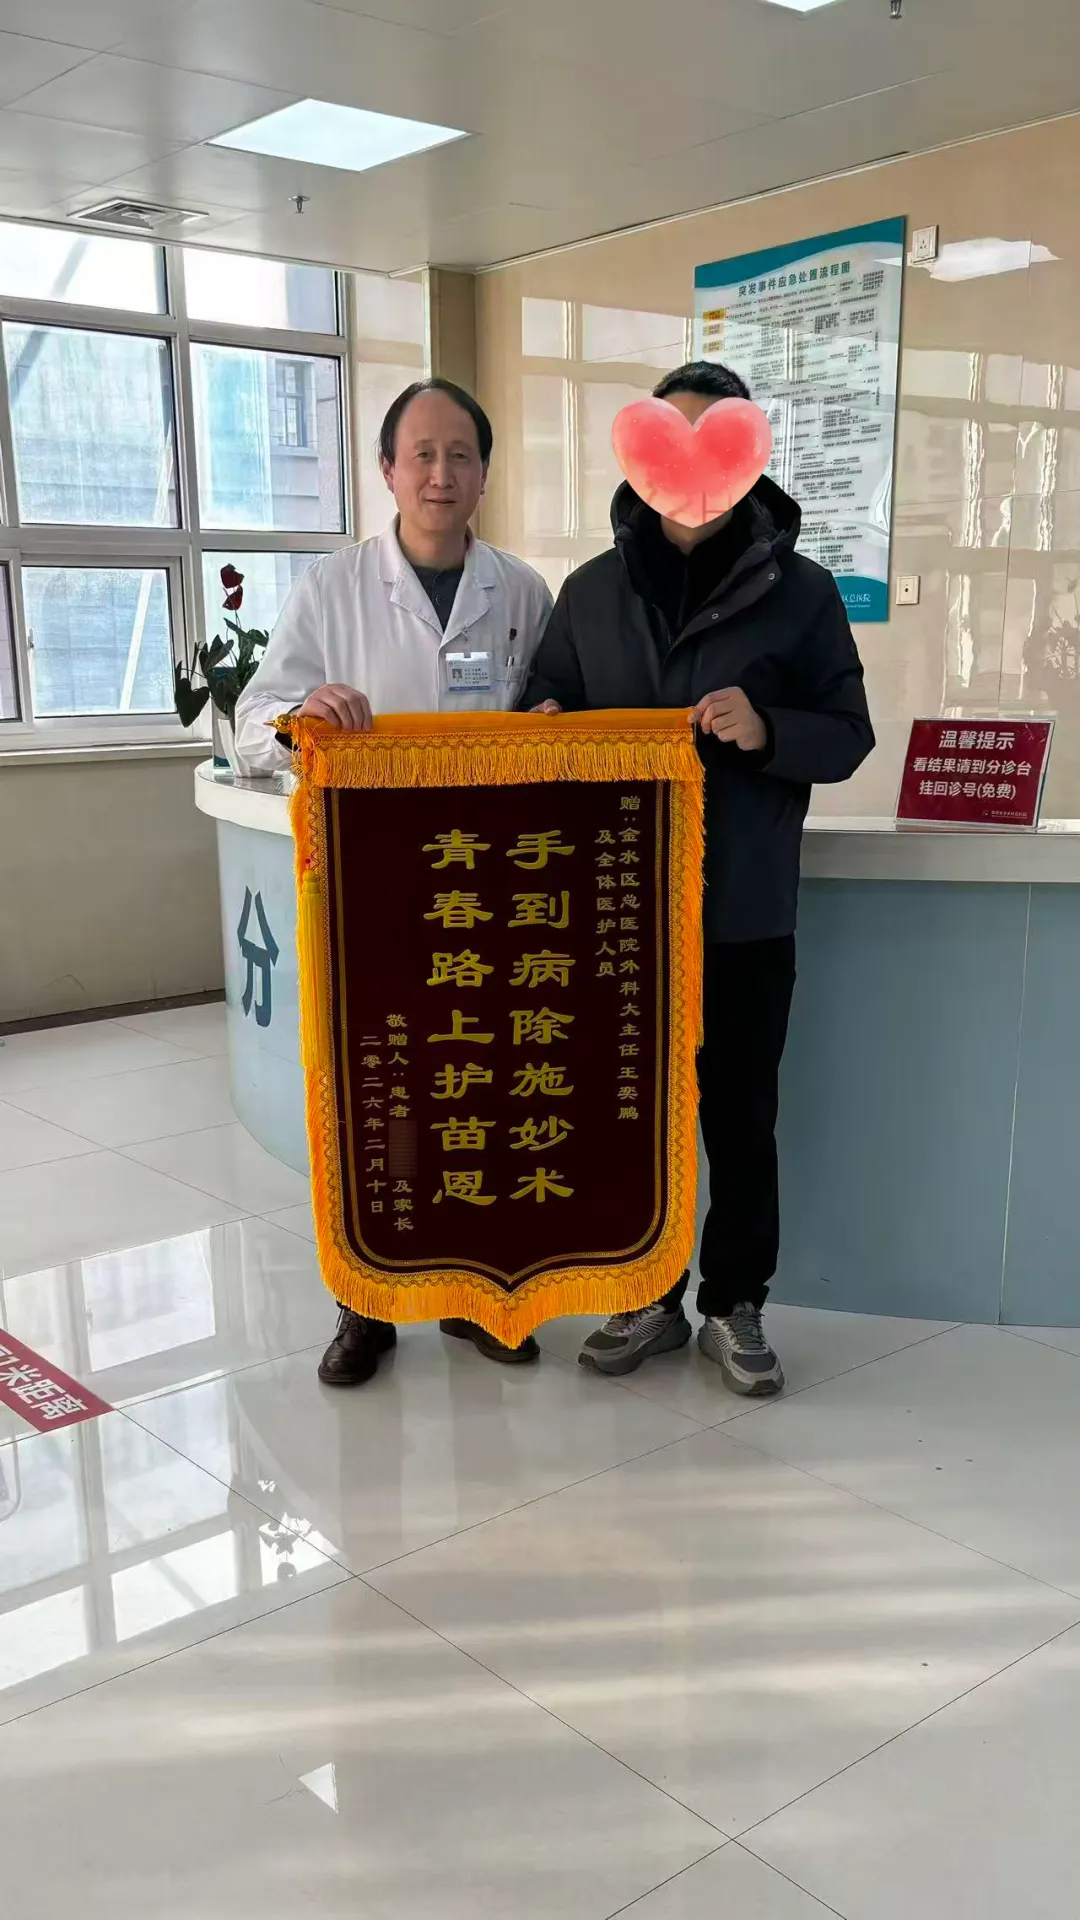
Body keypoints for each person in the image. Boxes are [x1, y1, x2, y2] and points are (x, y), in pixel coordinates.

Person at [520, 360, 874, 1398]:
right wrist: (543, 725)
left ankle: (735, 1302)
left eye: (712, 441)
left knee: (740, 1118)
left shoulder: (802, 595)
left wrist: (767, 730)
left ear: (747, 454)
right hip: (618, 914)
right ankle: (647, 1293)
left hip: (744, 910)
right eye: (669, 440)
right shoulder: (591, 592)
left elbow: (849, 732)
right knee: (632, 1115)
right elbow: (544, 701)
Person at [236, 377, 553, 1387]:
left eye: (460, 455)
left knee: (481, 1090)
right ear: (386, 470)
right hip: (371, 890)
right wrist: (303, 720)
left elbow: (553, 720)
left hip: (488, 893)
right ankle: (363, 1304)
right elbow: (252, 728)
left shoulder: (523, 592)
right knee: (378, 1095)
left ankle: (472, 1296)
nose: (440, 474)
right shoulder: (333, 589)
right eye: (421, 454)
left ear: (485, 473)